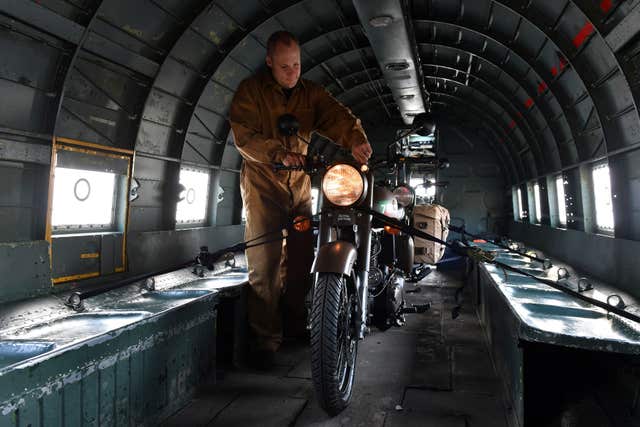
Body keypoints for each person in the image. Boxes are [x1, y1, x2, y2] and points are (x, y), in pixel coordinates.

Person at [229, 30, 372, 369]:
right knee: (264, 263)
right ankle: (266, 342)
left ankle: (296, 327)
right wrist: (278, 152)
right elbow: (244, 137)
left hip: (301, 186)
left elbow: (337, 115)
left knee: (300, 258)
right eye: (284, 66)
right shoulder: (250, 92)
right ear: (269, 63)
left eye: (296, 65)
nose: (292, 72)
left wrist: (355, 140)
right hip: (263, 182)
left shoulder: (311, 94)